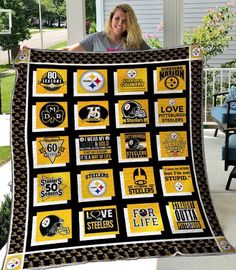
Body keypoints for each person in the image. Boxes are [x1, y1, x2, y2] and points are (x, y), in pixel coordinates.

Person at [64, 4, 150, 52]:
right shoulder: (95, 39)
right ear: (111, 19)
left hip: (126, 83)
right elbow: (69, 50)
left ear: (130, 24)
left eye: (125, 21)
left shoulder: (135, 41)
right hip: (101, 82)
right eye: (117, 18)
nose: (120, 23)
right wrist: (50, 54)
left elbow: (154, 56)